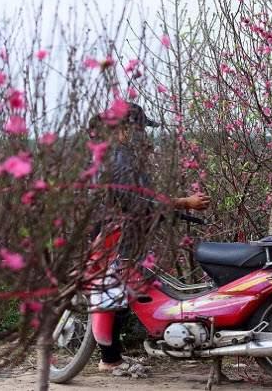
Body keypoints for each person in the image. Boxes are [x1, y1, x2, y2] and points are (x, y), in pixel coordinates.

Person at [88, 102, 210, 372]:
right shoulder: (118, 156)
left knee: (121, 292)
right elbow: (138, 200)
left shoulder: (113, 155)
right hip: (114, 236)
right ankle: (109, 360)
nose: (142, 134)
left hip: (114, 232)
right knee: (112, 294)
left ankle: (112, 358)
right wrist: (184, 202)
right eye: (140, 128)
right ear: (125, 128)